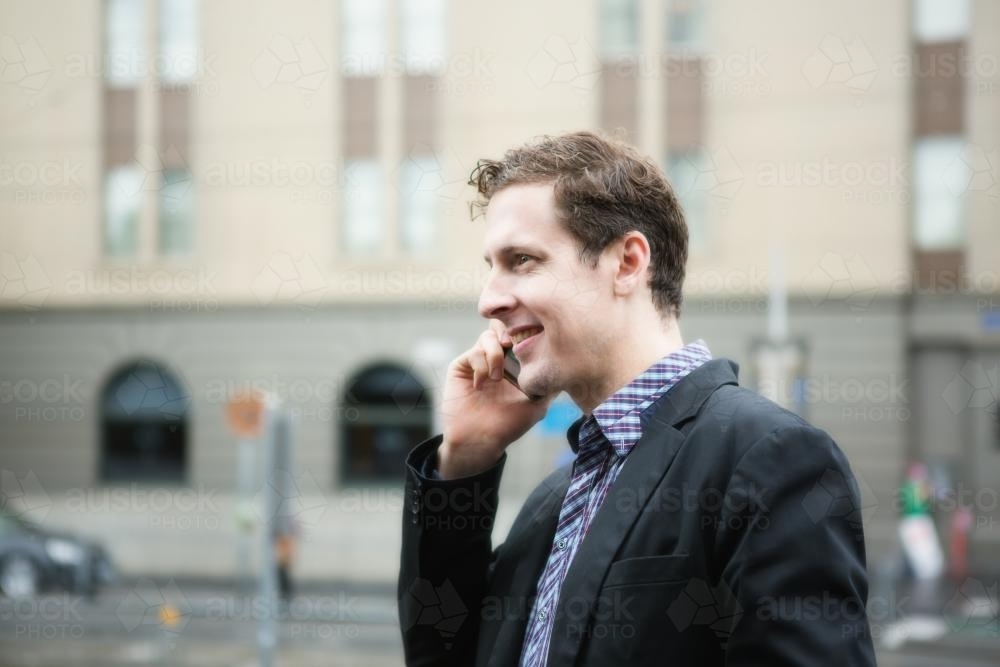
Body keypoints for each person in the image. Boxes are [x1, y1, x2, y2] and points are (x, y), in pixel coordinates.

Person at [398, 132, 876, 666]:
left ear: (627, 262)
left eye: (523, 260)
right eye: (491, 265)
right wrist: (463, 462)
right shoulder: (555, 498)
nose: (489, 299)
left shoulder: (770, 459)